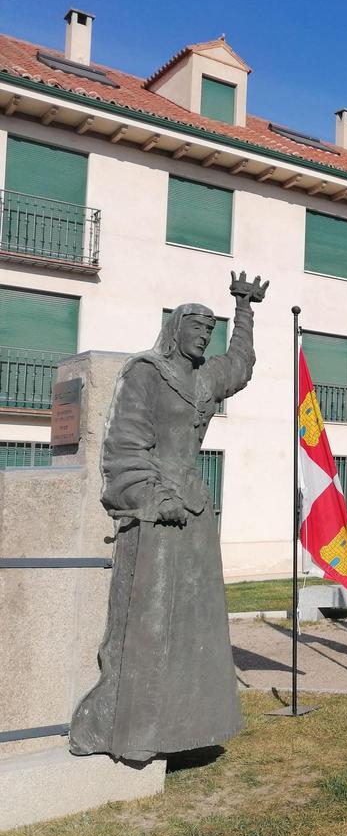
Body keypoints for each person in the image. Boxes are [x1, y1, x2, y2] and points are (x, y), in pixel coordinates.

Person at [70, 273, 266, 761]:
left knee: (197, 627)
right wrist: (155, 496)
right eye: (195, 326)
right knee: (147, 625)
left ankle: (187, 729)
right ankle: (127, 734)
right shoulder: (146, 373)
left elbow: (241, 364)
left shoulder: (204, 380)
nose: (203, 334)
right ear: (174, 329)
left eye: (209, 328)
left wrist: (243, 308)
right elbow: (124, 446)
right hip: (156, 515)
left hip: (195, 514)